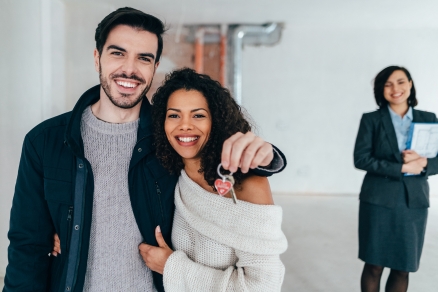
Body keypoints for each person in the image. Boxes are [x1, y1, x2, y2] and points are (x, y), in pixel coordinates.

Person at [3, 7, 286, 292]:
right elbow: (28, 246)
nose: (130, 68)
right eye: (118, 53)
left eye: (144, 58)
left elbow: (219, 149)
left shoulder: (170, 140)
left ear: (154, 67)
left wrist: (268, 156)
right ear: (96, 58)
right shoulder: (45, 142)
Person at [354, 66, 438, 292]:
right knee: (374, 265)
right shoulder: (371, 120)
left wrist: (423, 163)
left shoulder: (428, 119)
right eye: (388, 84)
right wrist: (401, 167)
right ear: (381, 89)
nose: (395, 89)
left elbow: (436, 159)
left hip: (414, 202)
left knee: (403, 267)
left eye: (401, 82)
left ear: (410, 84)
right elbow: (361, 159)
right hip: (378, 200)